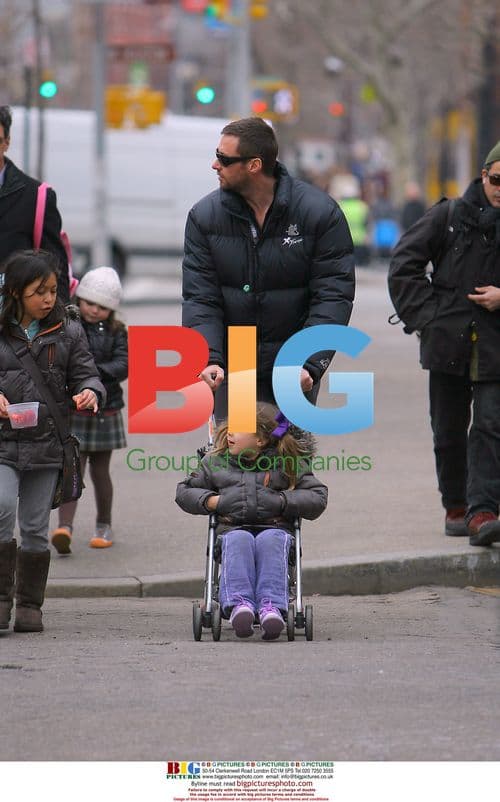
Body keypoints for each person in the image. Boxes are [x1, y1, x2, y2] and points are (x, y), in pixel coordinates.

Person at [182, 117, 355, 421]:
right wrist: (210, 358)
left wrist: (310, 363)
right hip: (235, 363)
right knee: (235, 462)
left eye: (224, 158)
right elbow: (201, 298)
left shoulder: (319, 213)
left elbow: (333, 295)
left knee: (288, 461)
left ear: (254, 165)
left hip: (293, 360)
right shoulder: (203, 217)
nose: (214, 164)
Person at [388, 141, 500, 547]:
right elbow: (404, 265)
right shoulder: (449, 215)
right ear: (483, 175)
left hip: (496, 345)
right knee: (448, 430)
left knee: (491, 425)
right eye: (496, 179)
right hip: (447, 341)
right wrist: (427, 318)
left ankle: (483, 511)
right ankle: (456, 506)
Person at [0, 250, 105, 633]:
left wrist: (91, 393)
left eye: (53, 290)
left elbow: (87, 375)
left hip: (48, 444)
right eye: (38, 291)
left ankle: (30, 606)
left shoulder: (68, 330)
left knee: (33, 526)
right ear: (15, 292)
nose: (48, 299)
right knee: (1, 509)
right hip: (4, 442)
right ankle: (0, 601)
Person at [175, 402, 328, 640]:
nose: (230, 434)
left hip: (275, 527)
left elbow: (317, 497)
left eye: (239, 430)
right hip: (232, 529)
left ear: (261, 440)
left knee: (271, 540)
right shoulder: (215, 462)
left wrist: (282, 501)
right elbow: (184, 492)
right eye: (230, 428)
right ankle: (240, 605)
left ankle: (271, 605)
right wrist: (212, 501)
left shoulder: (286, 463)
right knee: (238, 539)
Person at [50, 267, 127, 554]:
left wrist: (91, 374)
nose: (95, 310)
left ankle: (103, 525)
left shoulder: (118, 332)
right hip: (74, 407)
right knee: (72, 468)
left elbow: (124, 364)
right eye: (90, 302)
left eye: (103, 307)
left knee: (100, 472)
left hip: (105, 409)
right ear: (79, 298)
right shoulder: (67, 324)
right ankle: (64, 527)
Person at [0, 105, 70, 302]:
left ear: (7, 142)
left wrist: (60, 326)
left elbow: (56, 269)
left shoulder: (36, 197)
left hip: (14, 321)